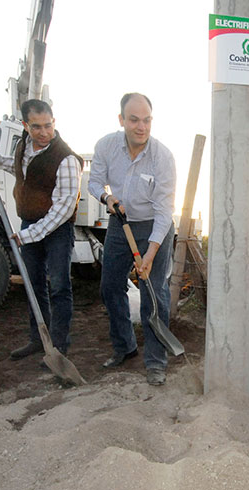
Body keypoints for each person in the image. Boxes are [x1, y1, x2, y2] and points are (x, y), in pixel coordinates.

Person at [0, 99, 83, 361]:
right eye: (36, 127)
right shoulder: (23, 146)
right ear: (26, 126)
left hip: (57, 229)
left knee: (59, 287)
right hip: (30, 223)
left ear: (54, 122)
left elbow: (63, 209)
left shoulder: (66, 159)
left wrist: (26, 236)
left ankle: (58, 348)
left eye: (48, 125)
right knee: (33, 285)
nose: (44, 132)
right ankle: (38, 340)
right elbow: (21, 168)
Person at [88, 93, 176, 386]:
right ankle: (124, 347)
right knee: (110, 287)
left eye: (147, 120)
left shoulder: (163, 157)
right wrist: (107, 197)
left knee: (155, 294)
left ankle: (155, 362)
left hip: (154, 228)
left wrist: (150, 255)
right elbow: (94, 181)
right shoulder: (106, 146)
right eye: (134, 120)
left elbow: (164, 213)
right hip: (119, 224)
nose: (142, 126)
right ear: (122, 120)